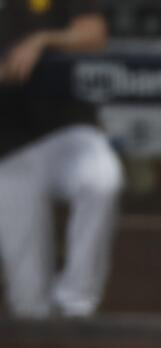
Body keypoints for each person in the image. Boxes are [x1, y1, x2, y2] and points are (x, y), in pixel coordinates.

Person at [0, 0, 122, 320]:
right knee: (29, 304)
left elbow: (94, 35)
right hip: (8, 149)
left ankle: (77, 304)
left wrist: (43, 40)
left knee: (101, 181)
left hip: (70, 132)